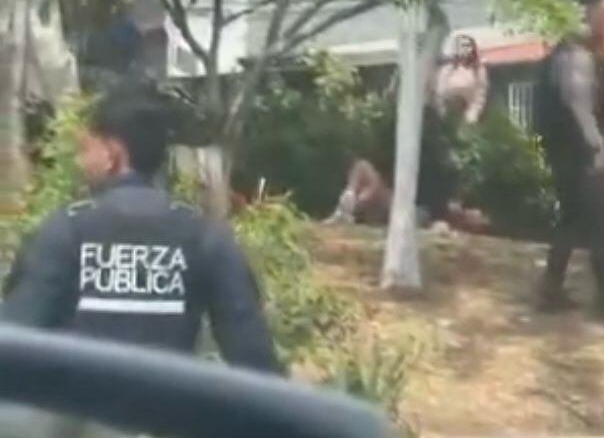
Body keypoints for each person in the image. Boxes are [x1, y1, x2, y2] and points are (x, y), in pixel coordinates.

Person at [1, 83, 280, 374]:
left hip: (78, 413)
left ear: (113, 154)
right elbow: (254, 357)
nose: (80, 161)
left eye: (86, 149)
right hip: (166, 415)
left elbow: (16, 340)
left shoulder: (65, 231)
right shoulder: (203, 234)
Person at [534, 0, 604, 321]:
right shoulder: (577, 59)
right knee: (602, 224)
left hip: (562, 149)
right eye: (601, 21)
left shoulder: (562, 55)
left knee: (572, 219)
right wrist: (597, 148)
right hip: (578, 150)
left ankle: (551, 290)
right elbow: (581, 109)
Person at [420, 34, 489, 231]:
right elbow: (437, 94)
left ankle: (461, 204)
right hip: (444, 121)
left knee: (462, 161)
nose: (464, 49)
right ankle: (440, 208)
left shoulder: (477, 70)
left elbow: (480, 96)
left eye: (468, 45)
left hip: (465, 118)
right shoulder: (446, 70)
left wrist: (470, 118)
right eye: (460, 45)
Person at [324, 158, 391, 226]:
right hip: (369, 209)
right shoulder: (356, 173)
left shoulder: (362, 168)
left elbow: (374, 186)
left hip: (385, 205)